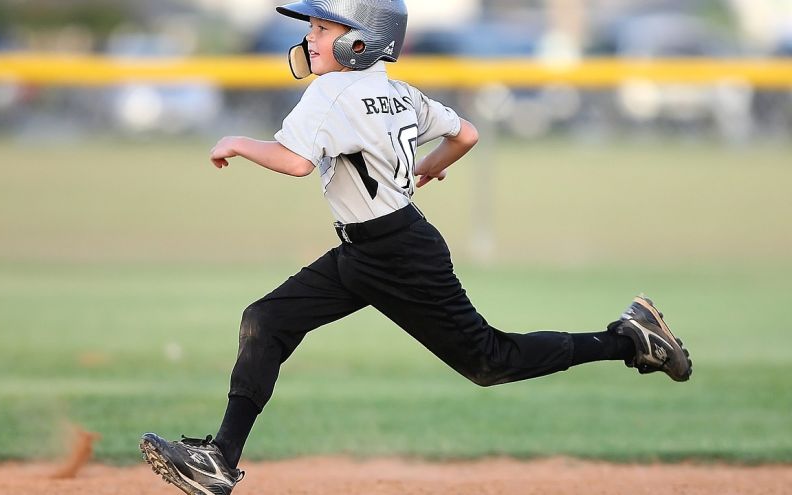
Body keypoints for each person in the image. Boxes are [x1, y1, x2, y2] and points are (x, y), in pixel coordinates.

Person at [139, 1, 693, 494]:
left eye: (324, 24)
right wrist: (425, 170)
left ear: (364, 39)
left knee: (489, 362)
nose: (310, 35)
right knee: (267, 320)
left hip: (396, 256)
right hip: (375, 247)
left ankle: (627, 338)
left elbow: (296, 162)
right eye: (311, 23)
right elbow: (466, 133)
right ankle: (219, 459)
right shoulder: (397, 91)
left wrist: (236, 141)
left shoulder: (331, 91)